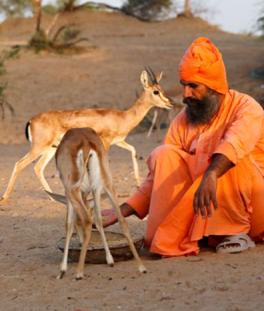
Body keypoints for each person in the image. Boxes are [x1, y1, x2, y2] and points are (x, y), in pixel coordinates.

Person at [102, 37, 264, 257]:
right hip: (205, 212)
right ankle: (193, 232)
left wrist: (212, 173)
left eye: (193, 86)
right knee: (164, 154)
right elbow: (159, 176)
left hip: (254, 209)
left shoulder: (246, 107)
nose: (185, 94)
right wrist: (122, 211)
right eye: (184, 86)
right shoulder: (182, 120)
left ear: (213, 86)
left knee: (228, 156)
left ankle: (234, 232)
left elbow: (236, 141)